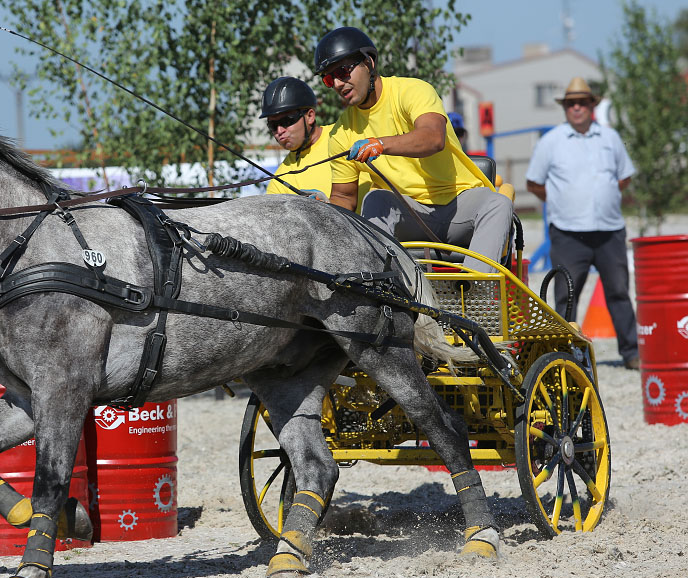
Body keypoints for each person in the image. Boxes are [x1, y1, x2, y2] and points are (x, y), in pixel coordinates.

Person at [318, 27, 514, 272]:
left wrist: (380, 144)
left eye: (343, 71)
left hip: (458, 206)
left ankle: (476, 294)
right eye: (328, 79)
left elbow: (433, 138)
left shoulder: (413, 91)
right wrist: (321, 209)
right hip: (411, 215)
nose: (337, 83)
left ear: (369, 62)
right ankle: (383, 293)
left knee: (498, 203)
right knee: (376, 199)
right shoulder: (341, 133)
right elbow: (344, 198)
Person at [525, 77, 639, 369]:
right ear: (565, 108)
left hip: (609, 230)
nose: (577, 108)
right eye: (571, 103)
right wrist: (562, 200)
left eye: (582, 102)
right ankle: (564, 356)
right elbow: (534, 183)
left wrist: (604, 196)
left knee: (619, 293)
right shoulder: (551, 141)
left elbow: (624, 177)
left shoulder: (610, 138)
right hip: (568, 233)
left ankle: (631, 354)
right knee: (566, 296)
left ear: (592, 106)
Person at [261, 77, 331, 201]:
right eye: (273, 125)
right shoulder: (279, 182)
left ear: (310, 116)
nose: (280, 131)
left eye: (287, 120)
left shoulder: (344, 134)